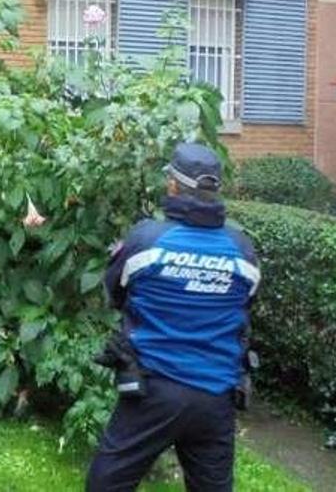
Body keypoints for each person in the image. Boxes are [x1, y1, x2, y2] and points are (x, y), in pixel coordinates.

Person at [87, 143, 261, 492]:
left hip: (153, 391)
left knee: (106, 484)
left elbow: (115, 294)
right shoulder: (243, 249)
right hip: (217, 397)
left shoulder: (146, 240)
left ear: (172, 186)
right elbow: (246, 304)